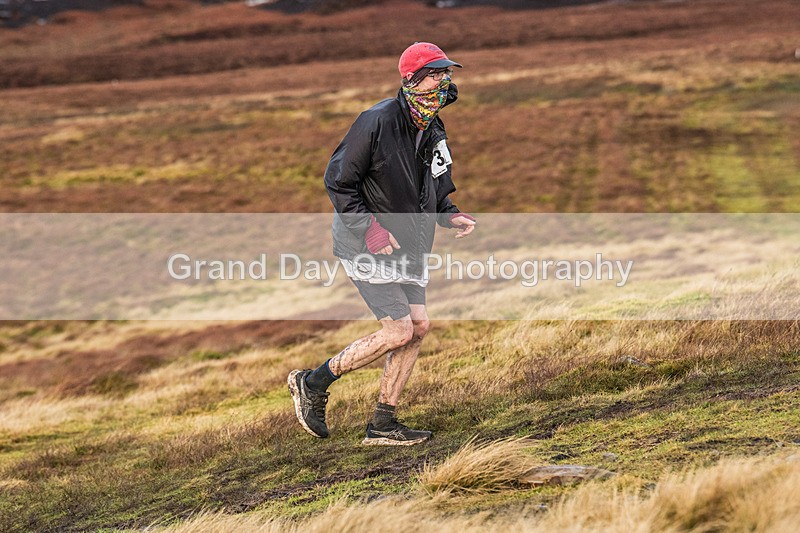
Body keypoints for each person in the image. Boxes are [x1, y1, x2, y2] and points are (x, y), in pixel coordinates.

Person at [288, 42, 476, 446]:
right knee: (397, 331)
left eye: (447, 74)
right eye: (435, 74)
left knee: (418, 327)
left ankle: (383, 424)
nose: (444, 81)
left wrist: (449, 211)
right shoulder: (376, 120)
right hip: (363, 243)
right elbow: (338, 181)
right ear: (411, 80)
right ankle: (312, 382)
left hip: (410, 244)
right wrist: (370, 229)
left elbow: (436, 184)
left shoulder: (433, 124)